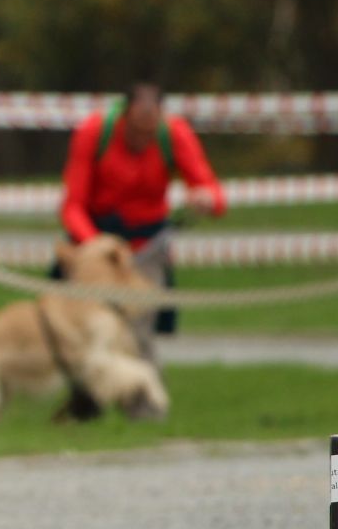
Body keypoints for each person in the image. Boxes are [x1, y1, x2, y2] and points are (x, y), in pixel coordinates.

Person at [59, 80, 226, 339]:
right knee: (80, 336)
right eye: (137, 131)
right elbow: (72, 207)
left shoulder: (173, 133)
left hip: (146, 245)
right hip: (96, 240)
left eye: (150, 132)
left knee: (141, 334)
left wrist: (205, 198)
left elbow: (215, 196)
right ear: (124, 116)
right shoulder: (93, 131)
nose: (143, 140)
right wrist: (99, 248)